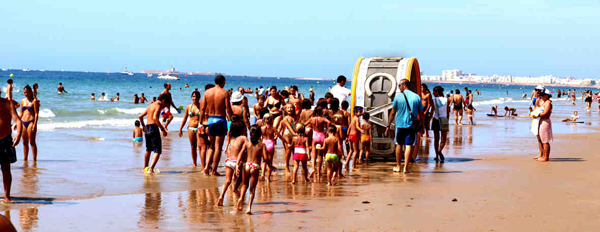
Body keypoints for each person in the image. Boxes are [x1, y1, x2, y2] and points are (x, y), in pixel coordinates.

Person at [386, 79, 423, 173]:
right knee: (408, 145)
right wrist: (423, 125)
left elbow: (392, 113)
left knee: (399, 145)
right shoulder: (416, 97)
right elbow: (421, 113)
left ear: (403, 85)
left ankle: (398, 166)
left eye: (399, 85)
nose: (399, 87)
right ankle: (406, 167)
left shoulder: (398, 97)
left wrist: (388, 125)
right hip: (411, 125)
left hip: (400, 125)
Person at [199, 75, 234, 176]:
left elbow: (202, 109)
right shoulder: (224, 93)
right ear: (223, 82)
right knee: (218, 147)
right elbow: (228, 108)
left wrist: (201, 122)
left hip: (210, 120)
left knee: (211, 147)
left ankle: (206, 167)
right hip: (220, 119)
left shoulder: (207, 92)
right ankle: (214, 170)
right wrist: (231, 120)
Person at [235, 125, 268, 214]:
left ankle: (241, 198)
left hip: (246, 165)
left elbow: (240, 154)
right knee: (252, 189)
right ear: (260, 134)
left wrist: (237, 165)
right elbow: (265, 158)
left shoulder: (247, 143)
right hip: (255, 166)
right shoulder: (262, 145)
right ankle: (249, 207)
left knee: (244, 184)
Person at [217, 116, 247, 207]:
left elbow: (228, 141)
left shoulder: (231, 137)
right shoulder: (243, 138)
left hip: (229, 161)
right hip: (238, 162)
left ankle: (221, 196)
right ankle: (236, 189)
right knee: (241, 178)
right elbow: (249, 146)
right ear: (242, 130)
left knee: (227, 181)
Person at [0, 88, 23, 202]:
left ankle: (7, 196)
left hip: (5, 139)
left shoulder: (7, 104)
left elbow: (18, 120)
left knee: (6, 169)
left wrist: (18, 134)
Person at [138, 94, 169, 173]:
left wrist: (143, 126)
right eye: (165, 104)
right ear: (163, 101)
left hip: (147, 127)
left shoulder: (151, 105)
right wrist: (162, 129)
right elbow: (155, 118)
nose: (165, 106)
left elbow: (140, 116)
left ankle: (145, 167)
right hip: (153, 128)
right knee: (157, 150)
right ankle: (151, 169)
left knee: (148, 149)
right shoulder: (158, 106)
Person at [178, 91, 202, 167]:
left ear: (199, 97)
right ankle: (194, 163)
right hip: (191, 128)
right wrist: (180, 128)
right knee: (193, 147)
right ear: (191, 97)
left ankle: (203, 163)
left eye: (197, 96)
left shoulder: (202, 106)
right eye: (194, 96)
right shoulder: (188, 107)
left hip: (199, 128)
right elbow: (185, 118)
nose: (195, 98)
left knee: (200, 146)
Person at [307, 106, 330, 178]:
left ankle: (313, 168)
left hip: (315, 136)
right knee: (320, 155)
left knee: (314, 155)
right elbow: (329, 122)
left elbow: (304, 124)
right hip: (322, 136)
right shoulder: (323, 119)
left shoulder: (311, 119)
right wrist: (328, 130)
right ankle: (319, 172)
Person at [18, 85, 40, 161]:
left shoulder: (35, 101)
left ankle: (34, 160)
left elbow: (37, 114)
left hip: (31, 122)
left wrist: (35, 124)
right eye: (24, 92)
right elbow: (21, 113)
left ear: (31, 92)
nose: (26, 94)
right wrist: (17, 122)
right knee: (24, 142)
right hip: (23, 122)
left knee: (32, 142)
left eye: (27, 92)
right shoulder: (22, 101)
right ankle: (25, 159)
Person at [532, 89, 553, 162]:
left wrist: (536, 115)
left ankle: (546, 157)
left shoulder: (548, 103)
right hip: (541, 121)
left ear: (547, 95)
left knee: (545, 140)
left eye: (542, 95)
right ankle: (543, 155)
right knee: (542, 139)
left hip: (545, 121)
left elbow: (545, 113)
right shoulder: (544, 102)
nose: (541, 96)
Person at [431, 86, 449, 162]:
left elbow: (432, 110)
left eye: (434, 92)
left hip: (435, 119)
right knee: (444, 138)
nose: (433, 93)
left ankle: (436, 156)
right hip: (444, 119)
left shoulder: (434, 100)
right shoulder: (447, 100)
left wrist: (429, 120)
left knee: (436, 139)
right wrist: (447, 119)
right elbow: (448, 111)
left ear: (437, 92)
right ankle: (439, 150)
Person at [279, 104, 298, 174]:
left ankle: (295, 165)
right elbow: (289, 127)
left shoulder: (295, 117)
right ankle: (287, 166)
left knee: (294, 150)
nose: (290, 109)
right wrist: (294, 134)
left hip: (294, 134)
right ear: (285, 110)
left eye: (291, 107)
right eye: (288, 108)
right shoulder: (285, 118)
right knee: (288, 150)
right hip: (287, 134)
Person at [260, 114, 277, 182]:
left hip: (264, 143)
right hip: (271, 144)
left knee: (264, 161)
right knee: (270, 163)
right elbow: (279, 136)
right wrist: (286, 142)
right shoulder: (273, 128)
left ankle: (262, 174)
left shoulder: (262, 128)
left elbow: (259, 137)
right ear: (272, 120)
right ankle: (268, 179)